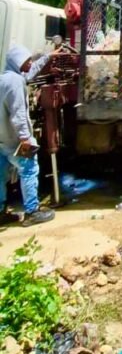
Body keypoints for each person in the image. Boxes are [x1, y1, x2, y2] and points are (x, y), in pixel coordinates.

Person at [0, 45, 56, 226]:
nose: (30, 63)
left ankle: (1, 212)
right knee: (30, 169)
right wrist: (25, 138)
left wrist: (47, 57)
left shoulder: (6, 79)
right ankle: (32, 211)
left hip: (2, 140)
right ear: (17, 62)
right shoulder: (15, 83)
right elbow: (18, 113)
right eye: (27, 61)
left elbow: (30, 73)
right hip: (16, 140)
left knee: (1, 175)